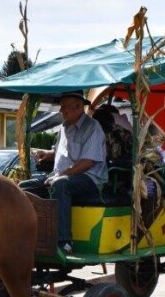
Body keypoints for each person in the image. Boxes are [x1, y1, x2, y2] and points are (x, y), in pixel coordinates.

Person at [23, 90, 106, 254]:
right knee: (24, 188)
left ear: (79, 106)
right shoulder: (64, 127)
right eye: (61, 107)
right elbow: (63, 153)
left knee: (60, 185)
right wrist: (48, 155)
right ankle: (29, 236)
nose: (61, 111)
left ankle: (62, 242)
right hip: (62, 176)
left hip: (90, 179)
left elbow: (87, 162)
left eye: (65, 107)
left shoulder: (92, 127)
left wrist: (62, 175)